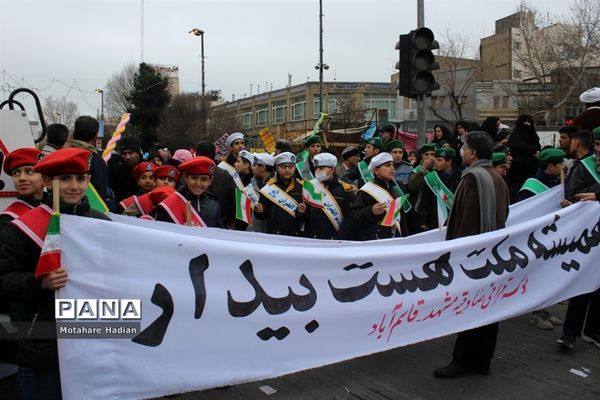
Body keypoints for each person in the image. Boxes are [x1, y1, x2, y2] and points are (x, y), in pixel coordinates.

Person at [0, 148, 110, 399]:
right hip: (45, 341)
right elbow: (4, 280)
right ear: (48, 182)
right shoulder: (21, 228)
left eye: (80, 178)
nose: (74, 186)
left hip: (94, 335)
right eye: (65, 179)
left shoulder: (102, 223)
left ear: (89, 181)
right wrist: (39, 283)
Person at [434, 131, 509, 379]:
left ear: (473, 153)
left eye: (464, 148)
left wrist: (458, 256)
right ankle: (482, 360)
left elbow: (467, 224)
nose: (461, 152)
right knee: (489, 308)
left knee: (470, 308)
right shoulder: (497, 178)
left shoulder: (472, 179)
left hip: (473, 259)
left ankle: (462, 361)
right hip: (493, 256)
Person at [345, 152, 406, 240]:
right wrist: (371, 211)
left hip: (394, 239)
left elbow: (401, 219)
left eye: (392, 165)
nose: (392, 169)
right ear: (376, 171)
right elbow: (354, 216)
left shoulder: (394, 189)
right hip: (374, 241)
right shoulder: (367, 191)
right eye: (388, 165)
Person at [155, 156, 222, 228]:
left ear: (210, 181)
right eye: (194, 178)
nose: (198, 184)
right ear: (185, 178)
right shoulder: (170, 204)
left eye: (204, 179)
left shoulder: (214, 204)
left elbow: (219, 234)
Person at [302, 153, 354, 239]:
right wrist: (301, 213)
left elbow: (350, 219)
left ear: (332, 169)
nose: (318, 170)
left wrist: (340, 237)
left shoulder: (345, 189)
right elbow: (305, 218)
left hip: (334, 239)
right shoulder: (310, 186)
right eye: (316, 168)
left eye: (321, 168)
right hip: (312, 239)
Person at [254, 152, 305, 236]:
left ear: (295, 168)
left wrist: (301, 213)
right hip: (274, 235)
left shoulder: (302, 187)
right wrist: (259, 211)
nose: (287, 170)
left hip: (295, 235)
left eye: (290, 166)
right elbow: (262, 216)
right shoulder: (269, 187)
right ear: (277, 168)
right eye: (283, 166)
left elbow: (306, 218)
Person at [64, 116, 109, 201]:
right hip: (85, 210)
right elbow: (99, 196)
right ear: (95, 137)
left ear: (74, 133)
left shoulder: (59, 155)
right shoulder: (96, 161)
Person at [0, 148, 46, 231]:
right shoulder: (8, 220)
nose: (21, 178)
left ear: (45, 178)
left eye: (29, 172)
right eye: (16, 173)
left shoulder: (59, 206)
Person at [196, 141, 236, 229]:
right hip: (220, 225)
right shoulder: (224, 174)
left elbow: (235, 198)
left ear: (197, 154)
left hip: (200, 224)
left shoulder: (191, 174)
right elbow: (235, 199)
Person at [406, 143, 438, 233]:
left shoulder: (438, 170)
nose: (430, 157)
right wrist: (424, 168)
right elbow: (412, 186)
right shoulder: (416, 170)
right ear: (422, 156)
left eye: (432, 154)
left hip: (434, 213)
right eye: (426, 154)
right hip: (419, 213)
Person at [506, 115, 541, 192]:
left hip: (533, 176)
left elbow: (537, 148)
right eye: (525, 123)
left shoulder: (533, 136)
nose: (528, 125)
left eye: (529, 123)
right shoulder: (514, 137)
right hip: (516, 176)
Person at [107, 136, 143, 203]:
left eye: (130, 153)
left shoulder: (145, 168)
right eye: (124, 154)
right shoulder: (115, 168)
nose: (127, 157)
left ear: (138, 153)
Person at [246, 153, 275, 233]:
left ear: (262, 167)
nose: (252, 168)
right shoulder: (254, 183)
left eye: (255, 165)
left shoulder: (276, 187)